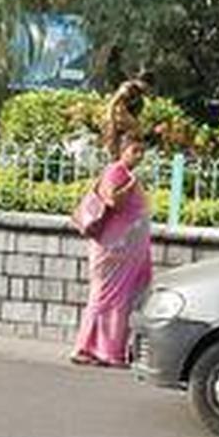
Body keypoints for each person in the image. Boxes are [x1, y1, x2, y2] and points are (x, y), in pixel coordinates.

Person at [71, 134, 153, 367]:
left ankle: (108, 350)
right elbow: (112, 201)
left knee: (123, 298)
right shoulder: (115, 172)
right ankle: (87, 348)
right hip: (113, 250)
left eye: (141, 152)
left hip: (128, 251)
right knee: (106, 296)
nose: (139, 156)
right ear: (122, 151)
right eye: (134, 151)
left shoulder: (125, 173)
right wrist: (131, 184)